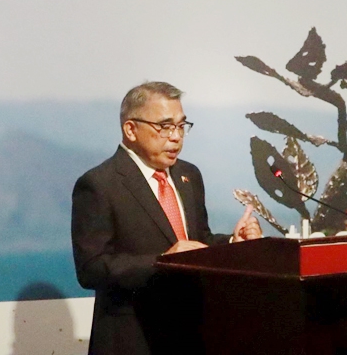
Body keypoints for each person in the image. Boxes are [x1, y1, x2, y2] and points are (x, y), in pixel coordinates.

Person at [71, 81, 262, 355]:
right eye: (165, 126)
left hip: (190, 334)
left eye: (181, 126)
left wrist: (232, 242)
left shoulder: (189, 176)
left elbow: (197, 242)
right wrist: (162, 262)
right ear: (131, 129)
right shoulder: (99, 184)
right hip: (133, 339)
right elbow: (91, 268)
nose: (176, 137)